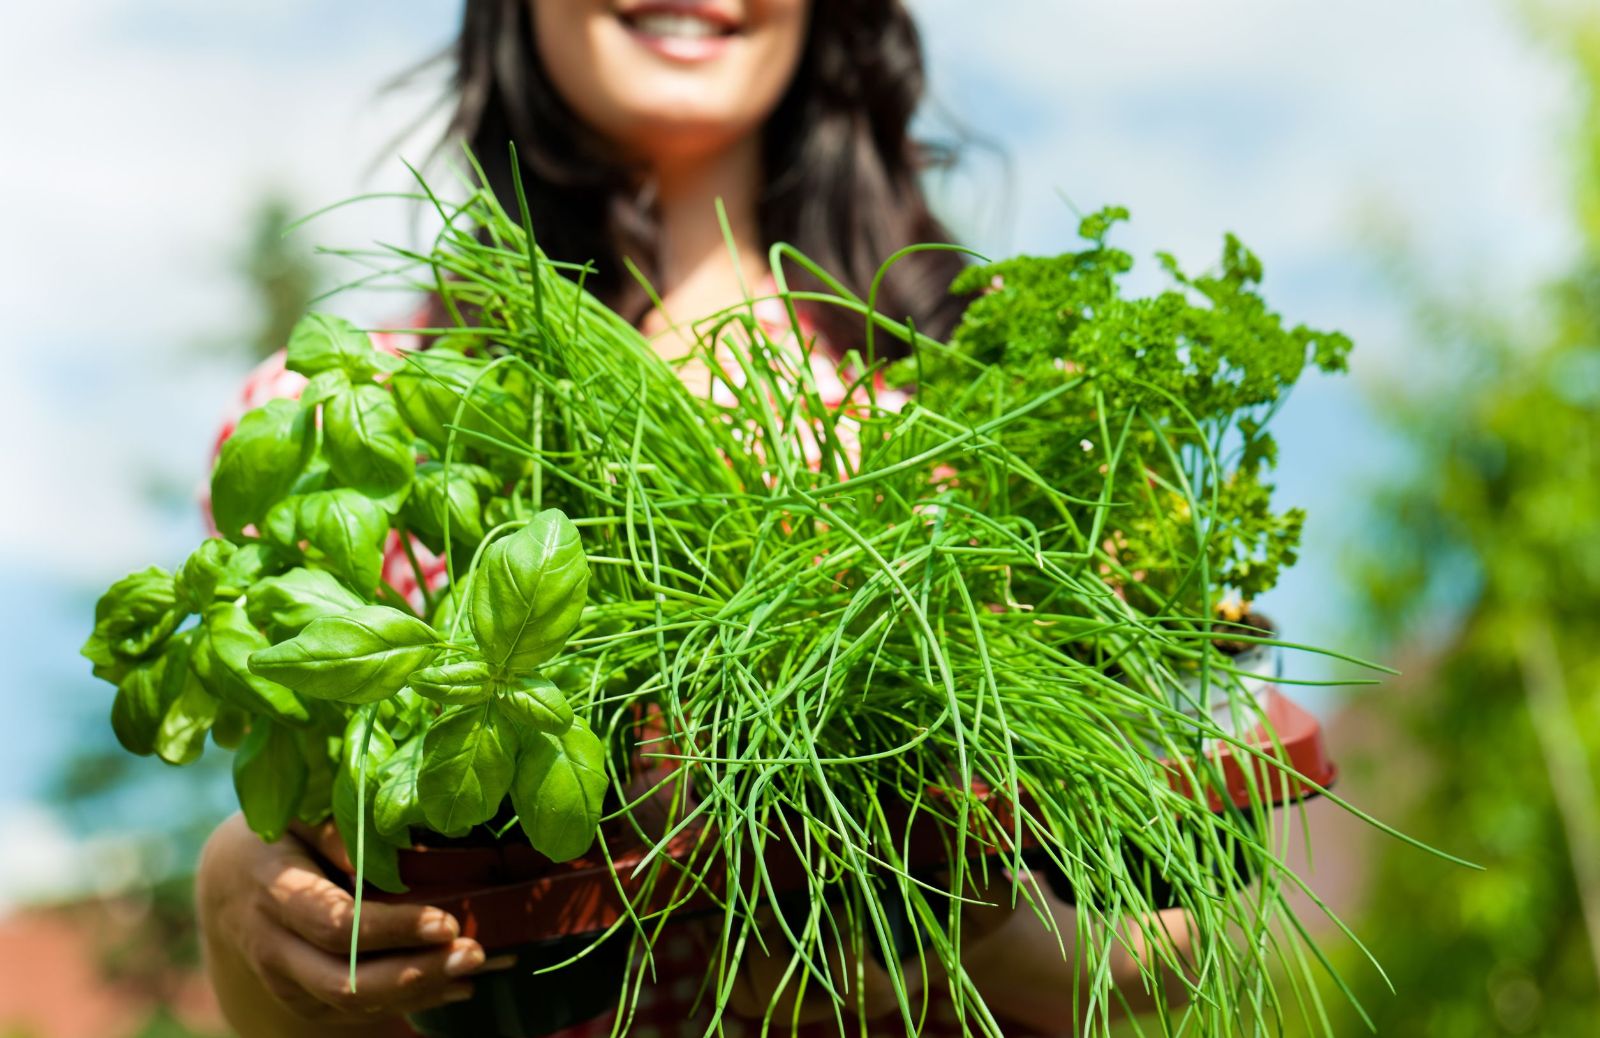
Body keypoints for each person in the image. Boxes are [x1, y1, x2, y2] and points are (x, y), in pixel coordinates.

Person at [196, 2, 1194, 1035]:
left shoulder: (1012, 404)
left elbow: (1167, 921)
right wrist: (233, 893)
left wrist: (965, 951)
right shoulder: (349, 431)